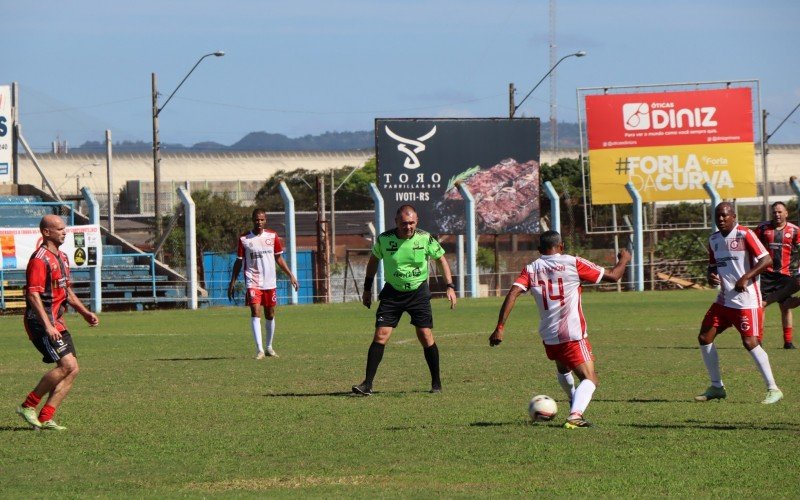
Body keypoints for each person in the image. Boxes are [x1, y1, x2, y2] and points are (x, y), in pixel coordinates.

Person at [488, 230, 630, 429]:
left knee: (564, 368)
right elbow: (614, 276)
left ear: (539, 250)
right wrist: (624, 259)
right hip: (571, 333)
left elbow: (512, 294)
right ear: (561, 246)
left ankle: (574, 400)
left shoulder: (530, 269)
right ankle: (575, 415)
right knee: (591, 379)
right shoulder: (572, 262)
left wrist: (500, 328)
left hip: (549, 334)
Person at [352, 204, 457, 396]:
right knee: (381, 335)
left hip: (418, 293)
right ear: (396, 222)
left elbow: (441, 259)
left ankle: (436, 382)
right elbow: (373, 261)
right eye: (403, 223)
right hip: (392, 293)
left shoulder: (425, 238)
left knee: (425, 335)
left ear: (416, 222)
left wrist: (449, 286)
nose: (408, 227)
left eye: (411, 223)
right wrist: (367, 289)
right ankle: (367, 384)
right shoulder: (385, 240)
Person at [16, 214, 99, 431]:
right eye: (60, 229)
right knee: (66, 366)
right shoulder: (39, 259)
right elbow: (33, 296)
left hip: (57, 321)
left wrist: (84, 312)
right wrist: (48, 325)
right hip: (40, 322)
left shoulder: (62, 257)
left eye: (65, 228)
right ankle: (28, 405)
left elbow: (66, 291)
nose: (65, 232)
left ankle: (46, 417)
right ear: (46, 232)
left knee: (73, 369)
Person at [695, 202, 783, 404]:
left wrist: (745, 277)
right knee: (704, 336)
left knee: (750, 342)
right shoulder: (714, 239)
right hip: (724, 299)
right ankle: (717, 387)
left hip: (746, 301)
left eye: (725, 216)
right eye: (718, 216)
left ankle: (773, 388)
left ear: (734, 216)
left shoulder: (745, 234)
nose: (721, 219)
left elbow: (766, 260)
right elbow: (712, 267)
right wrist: (711, 275)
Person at [228, 209, 299, 359]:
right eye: (256, 220)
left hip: (270, 282)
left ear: (265, 220)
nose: (259, 222)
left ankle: (269, 347)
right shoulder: (244, 238)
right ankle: (259, 350)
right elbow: (239, 261)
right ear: (252, 220)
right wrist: (232, 282)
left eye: (261, 220)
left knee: (270, 314)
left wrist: (291, 275)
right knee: (255, 311)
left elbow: (278, 258)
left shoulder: (272, 236)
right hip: (253, 281)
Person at [754, 201, 800, 349]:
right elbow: (752, 246)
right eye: (774, 212)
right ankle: (759, 341)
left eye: (780, 212)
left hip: (785, 275)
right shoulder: (762, 229)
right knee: (761, 306)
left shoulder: (794, 230)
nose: (777, 215)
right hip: (766, 275)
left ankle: (788, 342)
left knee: (786, 307)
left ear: (786, 213)